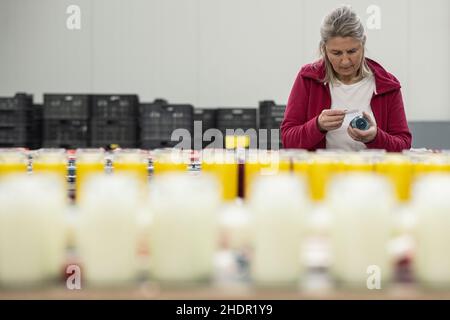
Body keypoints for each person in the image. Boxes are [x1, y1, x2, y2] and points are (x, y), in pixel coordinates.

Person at [281, 5, 412, 152]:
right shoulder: (308, 79)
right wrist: (317, 125)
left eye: (352, 51)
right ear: (324, 49)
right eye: (336, 53)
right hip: (320, 174)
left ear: (363, 44)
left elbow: (403, 145)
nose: (345, 61)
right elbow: (288, 139)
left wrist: (375, 137)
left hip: (372, 174)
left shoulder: (386, 86)